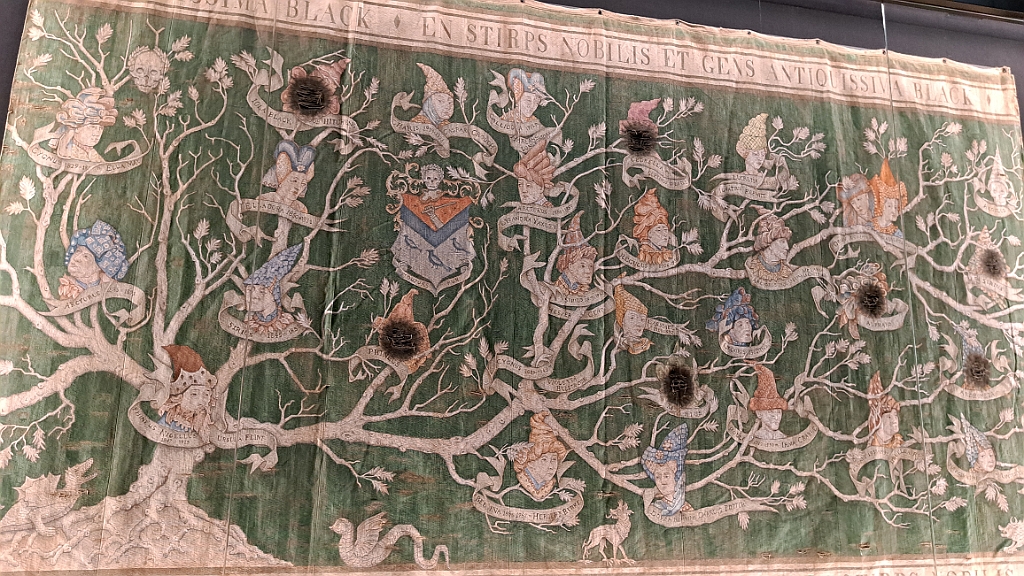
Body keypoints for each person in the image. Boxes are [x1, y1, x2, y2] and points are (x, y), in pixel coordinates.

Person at [157, 345, 218, 437]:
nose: (201, 400)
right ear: (179, 398)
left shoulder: (202, 424)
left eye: (206, 395)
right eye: (194, 394)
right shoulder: (167, 425)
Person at [59, 220, 130, 300]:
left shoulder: (109, 289)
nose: (76, 258)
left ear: (99, 267)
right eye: (78, 251)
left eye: (86, 256)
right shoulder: (68, 288)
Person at [243, 243, 303, 335]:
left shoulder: (286, 321)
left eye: (262, 291)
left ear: (274, 296)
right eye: (249, 290)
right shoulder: (248, 321)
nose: (252, 296)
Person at [512, 412, 570, 500]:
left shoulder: (549, 483)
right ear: (530, 462)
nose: (551, 466)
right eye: (544, 459)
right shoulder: (522, 479)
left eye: (554, 459)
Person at [51, 88, 118, 162]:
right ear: (77, 128)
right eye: (92, 127)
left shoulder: (94, 155)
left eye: (100, 128)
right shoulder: (67, 151)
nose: (97, 133)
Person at [642, 423, 691, 515]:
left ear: (674, 472)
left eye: (666, 476)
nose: (662, 481)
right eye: (657, 477)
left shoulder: (686, 507)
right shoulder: (655, 507)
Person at [746, 207, 794, 284]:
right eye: (782, 242)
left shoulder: (787, 272)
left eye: (786, 242)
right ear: (770, 244)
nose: (787, 247)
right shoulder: (751, 266)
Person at [554, 213, 598, 295]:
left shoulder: (584, 290)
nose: (588, 271)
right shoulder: (556, 289)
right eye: (582, 266)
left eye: (591, 266)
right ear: (570, 266)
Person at [632, 188, 676, 265]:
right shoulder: (643, 253)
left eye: (665, 230)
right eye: (658, 230)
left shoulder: (666, 253)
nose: (664, 235)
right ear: (648, 234)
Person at [747, 362, 787, 440]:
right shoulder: (757, 436)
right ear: (759, 413)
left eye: (779, 412)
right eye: (770, 412)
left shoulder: (783, 437)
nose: (776, 417)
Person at [869, 159, 908, 237]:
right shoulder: (869, 227)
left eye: (896, 207)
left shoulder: (898, 234)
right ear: (882, 206)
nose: (894, 211)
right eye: (889, 206)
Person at [513, 140, 555, 206]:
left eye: (528, 185)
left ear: (541, 188)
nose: (524, 190)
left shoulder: (547, 208)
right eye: (520, 185)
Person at [614, 283, 652, 354]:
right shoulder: (617, 340)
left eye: (642, 319)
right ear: (622, 320)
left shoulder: (645, 343)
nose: (639, 324)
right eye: (632, 318)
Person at [867, 372, 902, 448]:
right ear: (879, 420)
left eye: (895, 415)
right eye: (889, 417)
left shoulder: (898, 441)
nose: (894, 420)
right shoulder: (873, 442)